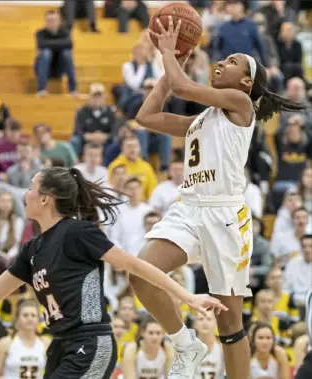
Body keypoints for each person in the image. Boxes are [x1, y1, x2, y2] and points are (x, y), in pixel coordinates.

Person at [0, 166, 226, 379]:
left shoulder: (77, 232)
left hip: (92, 342)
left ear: (46, 199)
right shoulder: (32, 248)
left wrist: (186, 296)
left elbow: (136, 265)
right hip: (61, 344)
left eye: (30, 188)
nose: (24, 194)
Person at [132, 16, 306, 379]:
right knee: (141, 274)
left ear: (245, 81)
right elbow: (145, 116)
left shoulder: (240, 103)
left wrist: (168, 53)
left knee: (229, 324)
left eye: (232, 62)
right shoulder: (202, 120)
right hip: (189, 208)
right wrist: (170, 69)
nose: (221, 62)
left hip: (225, 217)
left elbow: (182, 89)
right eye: (224, 59)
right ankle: (186, 344)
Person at [0, 300, 48, 379]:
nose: (30, 319)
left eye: (33, 315)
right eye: (25, 315)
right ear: (17, 319)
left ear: (38, 320)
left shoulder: (45, 343)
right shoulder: (5, 343)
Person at [193, 311, 225, 379]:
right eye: (201, 319)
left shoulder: (222, 348)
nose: (205, 322)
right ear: (195, 324)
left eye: (209, 319)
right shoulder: (188, 349)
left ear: (216, 323)